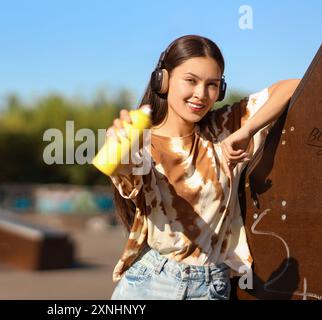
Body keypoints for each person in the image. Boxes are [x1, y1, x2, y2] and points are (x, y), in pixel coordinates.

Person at [107, 34, 300, 300]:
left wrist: (247, 131)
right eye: (191, 80)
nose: (201, 94)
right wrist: (120, 150)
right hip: (154, 283)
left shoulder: (225, 126)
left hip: (213, 286)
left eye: (212, 84)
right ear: (162, 80)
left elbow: (293, 87)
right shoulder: (143, 143)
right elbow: (126, 174)